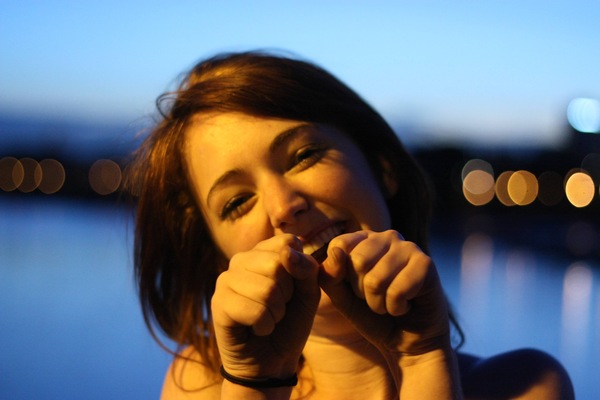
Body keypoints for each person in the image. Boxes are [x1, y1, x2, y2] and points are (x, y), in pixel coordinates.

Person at [126, 51, 574, 399]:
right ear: (217, 252)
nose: (284, 207)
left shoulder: (525, 386)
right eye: (239, 201)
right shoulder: (204, 383)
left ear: (382, 167)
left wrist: (421, 362)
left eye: (303, 155)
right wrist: (256, 385)